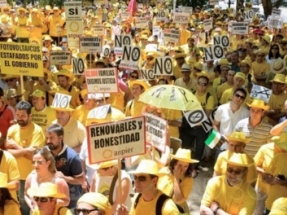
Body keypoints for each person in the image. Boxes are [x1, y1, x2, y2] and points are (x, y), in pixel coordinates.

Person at [4, 101, 45, 215]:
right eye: (17, 115)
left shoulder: (37, 131)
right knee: (15, 202)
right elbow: (9, 152)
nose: (19, 118)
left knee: (28, 201)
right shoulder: (11, 129)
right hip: (13, 175)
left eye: (23, 116)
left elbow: (33, 156)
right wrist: (26, 150)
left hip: (30, 174)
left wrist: (16, 146)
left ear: (30, 115)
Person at [45, 123, 85, 209]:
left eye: (51, 138)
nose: (48, 141)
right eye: (47, 138)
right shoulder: (45, 152)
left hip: (70, 202)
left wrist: (65, 178)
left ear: (61, 138)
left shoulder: (72, 157)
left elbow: (81, 180)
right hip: (50, 199)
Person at [253, 132, 287, 215]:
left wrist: (285, 183)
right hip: (263, 188)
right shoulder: (266, 149)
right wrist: (269, 178)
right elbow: (254, 166)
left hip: (282, 202)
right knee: (257, 212)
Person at [157, 148, 199, 213]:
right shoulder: (164, 172)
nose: (182, 169)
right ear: (174, 164)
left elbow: (179, 199)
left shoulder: (188, 180)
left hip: (175, 210)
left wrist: (176, 178)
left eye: (185, 166)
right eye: (180, 165)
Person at [213, 88, 249, 154]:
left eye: (242, 97)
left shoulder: (246, 113)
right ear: (232, 96)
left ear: (243, 100)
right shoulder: (221, 108)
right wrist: (220, 137)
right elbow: (215, 125)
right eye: (237, 95)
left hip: (237, 148)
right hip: (222, 145)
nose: (239, 98)